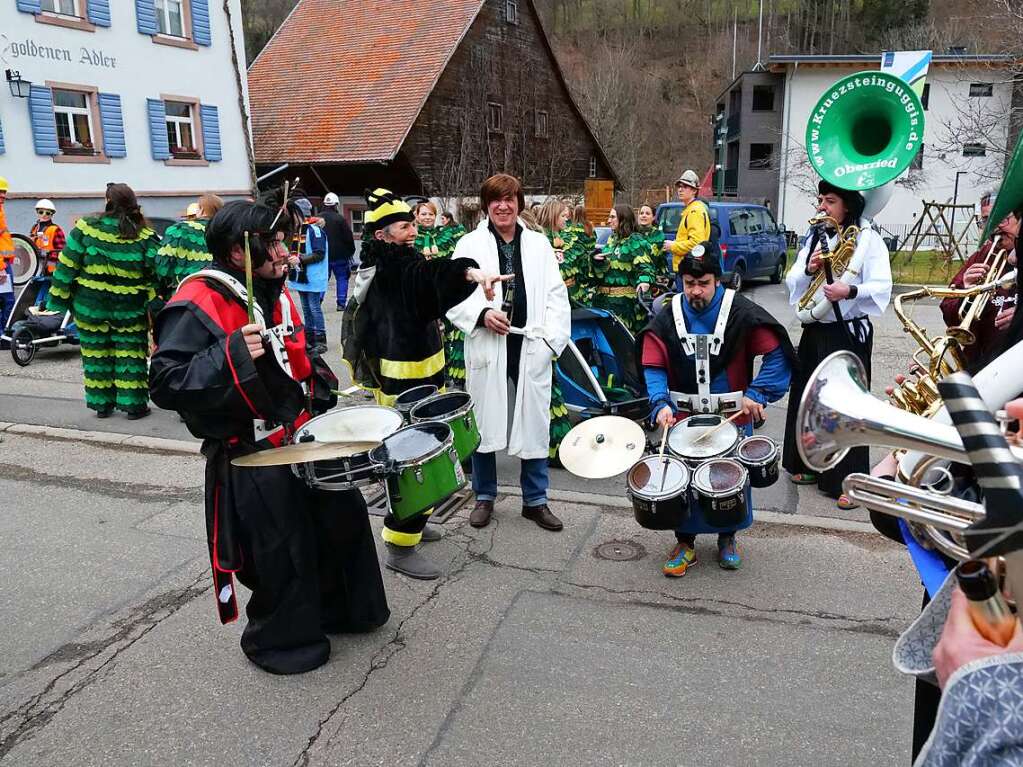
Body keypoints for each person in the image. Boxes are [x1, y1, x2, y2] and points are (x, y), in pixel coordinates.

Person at [149, 199, 389, 674]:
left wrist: (318, 383)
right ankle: (281, 640)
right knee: (284, 544)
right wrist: (231, 354)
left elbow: (296, 356)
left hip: (299, 436)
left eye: (284, 240)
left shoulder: (273, 292)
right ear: (240, 252)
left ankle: (345, 611)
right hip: (250, 450)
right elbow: (165, 382)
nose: (286, 252)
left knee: (343, 514)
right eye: (275, 242)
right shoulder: (198, 300)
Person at [341, 188, 508, 579]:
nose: (413, 230)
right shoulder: (393, 268)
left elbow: (428, 288)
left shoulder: (395, 262)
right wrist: (469, 270)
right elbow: (430, 276)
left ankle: (414, 523)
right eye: (404, 226)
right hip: (406, 383)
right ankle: (401, 544)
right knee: (415, 461)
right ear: (382, 236)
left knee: (421, 455)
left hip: (419, 376)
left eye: (413, 223)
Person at [637, 241, 794, 575]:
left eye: (703, 283)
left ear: (717, 280)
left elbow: (778, 351)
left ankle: (727, 538)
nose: (696, 291)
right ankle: (686, 544)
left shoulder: (739, 311)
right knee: (683, 484)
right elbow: (652, 363)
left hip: (731, 417)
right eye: (689, 283)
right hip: (682, 417)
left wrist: (759, 393)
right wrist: (659, 403)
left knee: (727, 482)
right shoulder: (669, 313)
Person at [447, 174, 572, 531]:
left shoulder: (538, 244)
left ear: (519, 202)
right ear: (486, 205)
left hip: (529, 342)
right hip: (488, 342)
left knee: (534, 419)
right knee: (485, 418)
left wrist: (551, 341)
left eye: (509, 199)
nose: (503, 206)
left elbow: (555, 296)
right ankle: (484, 496)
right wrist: (482, 315)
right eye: (495, 200)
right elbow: (452, 295)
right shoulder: (468, 244)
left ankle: (535, 501)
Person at [782, 180, 892, 509]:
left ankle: (846, 478)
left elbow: (882, 284)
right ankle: (806, 465)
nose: (822, 207)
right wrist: (809, 268)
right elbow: (792, 279)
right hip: (816, 329)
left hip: (848, 330)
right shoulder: (818, 237)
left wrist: (850, 291)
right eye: (821, 200)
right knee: (807, 398)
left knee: (847, 404)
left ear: (848, 206)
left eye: (830, 201)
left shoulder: (869, 240)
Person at [47, 183, 159, 419]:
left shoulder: (86, 228)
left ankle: (102, 405)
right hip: (130, 310)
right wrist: (154, 303)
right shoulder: (144, 235)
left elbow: (67, 267)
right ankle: (133, 406)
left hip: (90, 308)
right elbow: (154, 275)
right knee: (130, 355)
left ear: (108, 202)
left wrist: (57, 304)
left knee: (96, 354)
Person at [938, 206, 1019, 373]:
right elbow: (948, 307)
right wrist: (965, 290)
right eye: (986, 220)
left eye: (1002, 218)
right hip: (981, 363)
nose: (994, 226)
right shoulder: (980, 256)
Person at [593, 204, 656, 333]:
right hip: (602, 302)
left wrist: (644, 280)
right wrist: (597, 262)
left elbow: (646, 267)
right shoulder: (612, 240)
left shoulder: (635, 240)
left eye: (612, 217)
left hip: (623, 305)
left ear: (623, 219)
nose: (609, 220)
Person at [154, 193, 223, 302]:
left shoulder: (179, 229)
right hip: (219, 294)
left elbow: (163, 267)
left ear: (201, 210)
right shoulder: (225, 232)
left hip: (184, 294)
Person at [286, 197, 328, 355]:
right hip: (301, 276)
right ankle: (310, 338)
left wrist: (299, 259)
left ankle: (320, 339)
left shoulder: (315, 230)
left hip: (313, 276)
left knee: (314, 308)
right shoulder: (298, 230)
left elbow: (319, 254)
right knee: (305, 308)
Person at [668, 170, 711, 288]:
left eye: (685, 186)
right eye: (679, 186)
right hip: (686, 268)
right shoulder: (691, 209)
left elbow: (696, 244)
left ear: (694, 190)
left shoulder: (694, 211)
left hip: (688, 270)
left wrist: (672, 246)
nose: (680, 189)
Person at [320, 192, 356, 312]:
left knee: (322, 278)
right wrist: (351, 251)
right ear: (336, 205)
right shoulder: (340, 219)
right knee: (342, 278)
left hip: (322, 255)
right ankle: (341, 303)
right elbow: (348, 237)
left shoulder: (317, 219)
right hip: (340, 255)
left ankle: (318, 300)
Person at [29, 199, 66, 307]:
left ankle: (45, 309)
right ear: (37, 212)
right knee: (39, 291)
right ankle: (37, 309)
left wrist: (49, 256)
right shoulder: (34, 228)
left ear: (52, 214)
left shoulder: (55, 229)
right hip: (36, 267)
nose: (44, 215)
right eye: (41, 212)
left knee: (48, 292)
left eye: (48, 213)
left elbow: (62, 250)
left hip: (50, 269)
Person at [636, 203, 668, 285]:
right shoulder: (632, 233)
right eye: (641, 213)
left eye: (647, 213)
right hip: (635, 275)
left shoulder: (658, 234)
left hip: (655, 276)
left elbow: (655, 255)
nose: (644, 216)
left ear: (653, 217)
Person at [0, 177, 16, 337]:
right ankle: (4, 335)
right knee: (7, 301)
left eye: (4, 192)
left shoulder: (0, 209)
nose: (3, 195)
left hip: (4, 263)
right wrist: (1, 269)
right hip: (1, 266)